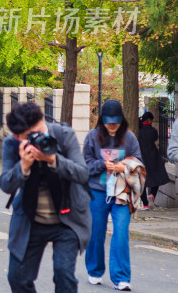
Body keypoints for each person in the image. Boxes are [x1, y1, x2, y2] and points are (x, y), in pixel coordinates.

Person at [0, 102, 90, 293]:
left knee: (63, 274)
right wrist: (22, 166)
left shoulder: (63, 135)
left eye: (41, 131)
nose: (40, 138)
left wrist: (53, 159)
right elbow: (6, 185)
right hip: (30, 219)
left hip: (67, 219)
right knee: (17, 277)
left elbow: (83, 174)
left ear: (43, 120)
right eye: (31, 136)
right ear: (18, 136)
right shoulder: (11, 144)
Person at [83, 100, 142, 291]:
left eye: (115, 121)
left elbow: (139, 163)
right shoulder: (92, 137)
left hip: (121, 194)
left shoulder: (130, 138)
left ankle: (121, 278)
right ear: (102, 120)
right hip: (97, 192)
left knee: (121, 232)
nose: (112, 125)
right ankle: (94, 270)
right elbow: (84, 163)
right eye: (108, 121)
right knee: (96, 233)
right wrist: (102, 165)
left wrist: (122, 167)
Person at [138, 111, 169, 209]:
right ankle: (152, 195)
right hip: (153, 157)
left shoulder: (138, 130)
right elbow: (155, 138)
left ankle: (145, 204)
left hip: (141, 157)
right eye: (151, 120)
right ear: (148, 120)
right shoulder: (153, 131)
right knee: (158, 177)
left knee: (141, 181)